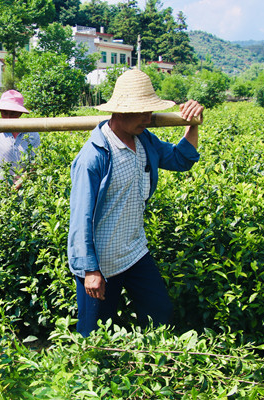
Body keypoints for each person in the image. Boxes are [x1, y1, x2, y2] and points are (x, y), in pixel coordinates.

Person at [67, 69, 204, 337]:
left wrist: (192, 124)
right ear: (120, 112)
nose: (148, 118)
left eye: (150, 111)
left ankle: (150, 360)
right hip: (102, 261)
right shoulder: (93, 157)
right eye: (141, 111)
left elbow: (181, 159)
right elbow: (80, 219)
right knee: (94, 335)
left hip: (134, 251)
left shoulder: (144, 140)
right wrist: (90, 270)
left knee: (160, 314)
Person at [0, 90, 40, 189]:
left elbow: (34, 164)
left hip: (25, 192)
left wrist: (19, 183)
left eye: (13, 114)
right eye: (4, 113)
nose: (8, 118)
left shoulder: (32, 134)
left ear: (20, 113)